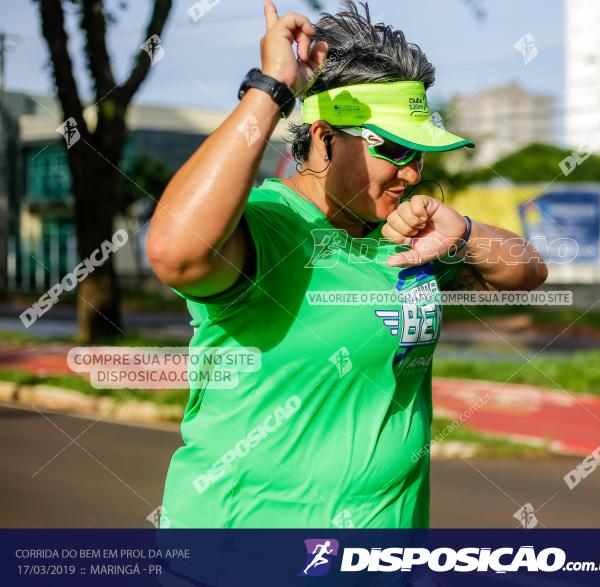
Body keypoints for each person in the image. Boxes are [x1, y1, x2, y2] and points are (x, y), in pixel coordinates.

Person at [146, 0, 547, 528]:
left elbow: (528, 272)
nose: (410, 172)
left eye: (419, 153)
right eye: (395, 150)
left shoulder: (404, 235)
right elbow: (174, 252)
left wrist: (466, 234)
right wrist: (270, 88)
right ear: (324, 138)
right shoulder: (266, 226)